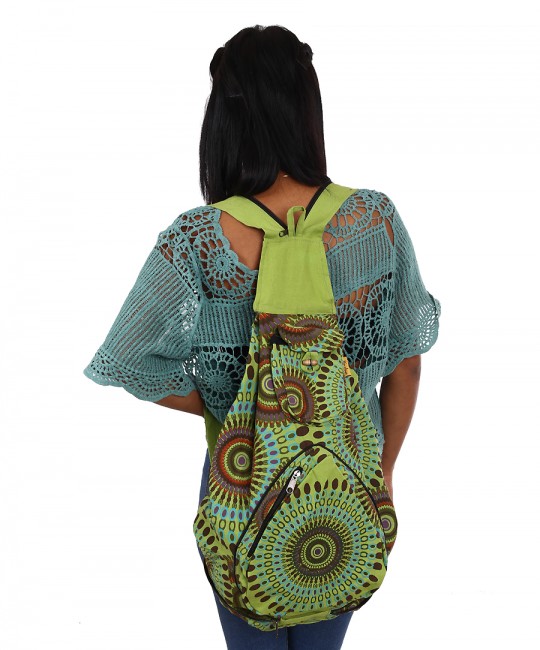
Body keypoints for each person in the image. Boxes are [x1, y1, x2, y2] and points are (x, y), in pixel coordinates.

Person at [83, 24, 441, 650]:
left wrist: (221, 402)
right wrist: (382, 473)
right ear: (307, 107)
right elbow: (405, 363)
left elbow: (129, 359)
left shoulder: (197, 238)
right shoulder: (373, 221)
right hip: (346, 480)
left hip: (240, 480)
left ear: (223, 118)